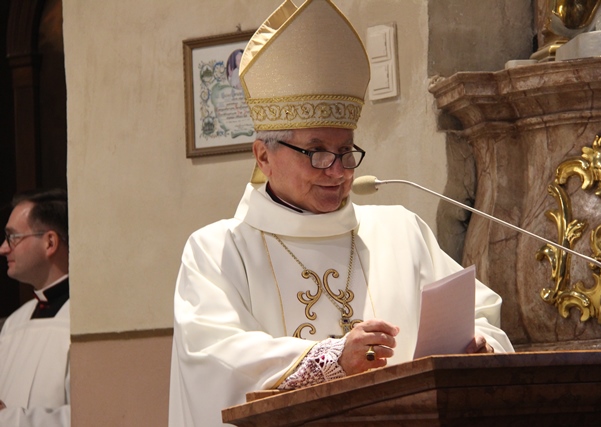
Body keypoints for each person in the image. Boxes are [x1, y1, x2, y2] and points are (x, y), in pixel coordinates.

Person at [169, 1, 514, 426]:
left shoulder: (401, 233)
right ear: (264, 156)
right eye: (316, 152)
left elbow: (480, 316)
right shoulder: (217, 250)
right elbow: (213, 359)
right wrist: (332, 358)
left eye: (346, 151)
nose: (337, 171)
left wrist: (480, 347)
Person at [0, 189, 70, 426]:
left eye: (13, 237)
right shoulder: (13, 323)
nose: (3, 248)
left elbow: (92, 412)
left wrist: (12, 419)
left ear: (50, 242)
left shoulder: (83, 321)